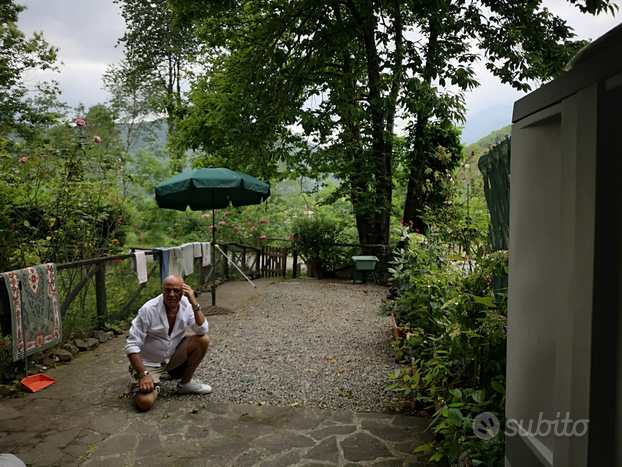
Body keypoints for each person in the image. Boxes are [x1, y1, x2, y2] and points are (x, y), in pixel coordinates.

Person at [125, 274, 212, 410]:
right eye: (168, 290)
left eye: (176, 290)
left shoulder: (187, 305)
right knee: (145, 402)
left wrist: (194, 303)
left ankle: (185, 383)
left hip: (171, 357)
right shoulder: (148, 310)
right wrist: (143, 374)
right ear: (162, 289)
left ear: (183, 291)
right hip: (148, 363)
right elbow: (131, 345)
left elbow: (202, 330)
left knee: (203, 340)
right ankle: (150, 383)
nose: (172, 294)